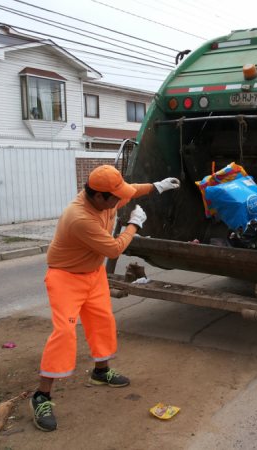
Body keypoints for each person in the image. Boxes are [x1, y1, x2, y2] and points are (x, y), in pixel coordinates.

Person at [31, 165, 180, 432]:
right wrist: (134, 224)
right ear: (99, 197)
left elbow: (131, 191)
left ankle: (101, 372)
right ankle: (41, 397)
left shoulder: (106, 196)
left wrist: (157, 186)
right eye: (115, 198)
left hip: (93, 274)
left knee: (102, 322)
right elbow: (113, 249)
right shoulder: (79, 218)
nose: (120, 200)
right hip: (66, 277)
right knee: (64, 332)